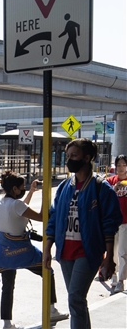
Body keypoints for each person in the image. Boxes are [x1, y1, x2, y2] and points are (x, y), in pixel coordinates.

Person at [43, 138, 122, 329]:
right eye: (68, 156)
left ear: (87, 158)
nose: (69, 159)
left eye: (74, 156)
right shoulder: (64, 187)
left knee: (75, 297)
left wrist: (109, 256)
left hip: (88, 251)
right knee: (77, 300)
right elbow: (53, 219)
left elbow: (110, 224)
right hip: (65, 252)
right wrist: (47, 248)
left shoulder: (100, 188)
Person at [0, 171, 68, 329]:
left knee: (8, 287)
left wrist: (31, 192)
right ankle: (51, 309)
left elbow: (19, 209)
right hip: (22, 251)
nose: (23, 189)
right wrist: (44, 195)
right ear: (14, 189)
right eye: (22, 187)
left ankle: (7, 323)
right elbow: (40, 216)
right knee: (48, 271)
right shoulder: (17, 205)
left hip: (3, 252)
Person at [105, 154, 127, 294]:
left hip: (125, 222)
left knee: (122, 252)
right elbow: (104, 198)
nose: (121, 168)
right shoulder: (110, 181)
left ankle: (121, 280)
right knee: (112, 251)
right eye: (118, 165)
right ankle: (113, 275)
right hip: (112, 222)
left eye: (124, 165)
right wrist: (114, 189)